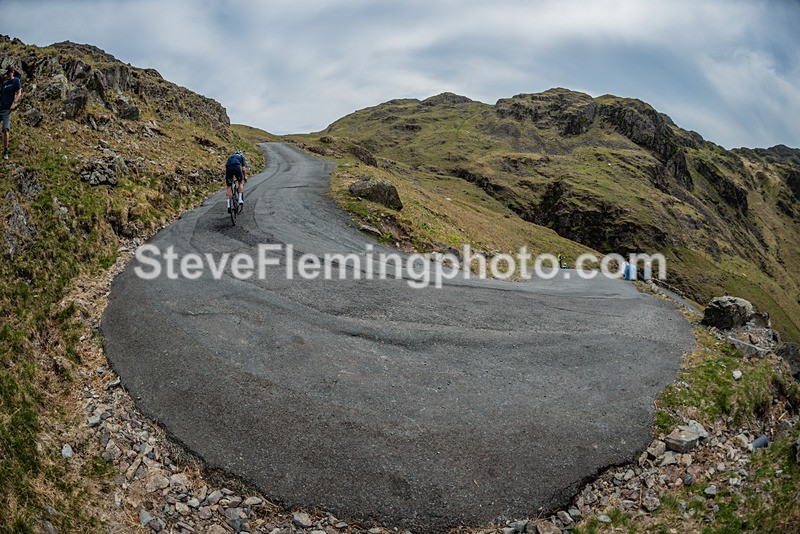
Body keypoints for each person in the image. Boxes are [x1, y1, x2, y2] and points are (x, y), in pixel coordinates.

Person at [1, 66, 23, 160]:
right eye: (8, 73)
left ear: (13, 72)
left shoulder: (16, 81)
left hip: (7, 109)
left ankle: (5, 151)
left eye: (10, 72)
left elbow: (19, 92)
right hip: (0, 107)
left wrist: (14, 103)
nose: (9, 74)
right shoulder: (4, 83)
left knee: (5, 129)